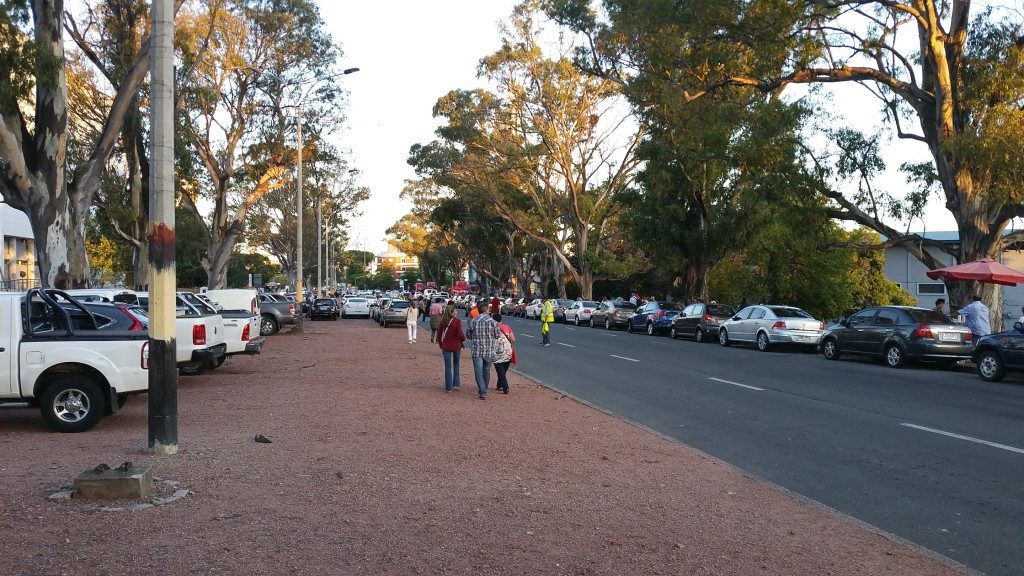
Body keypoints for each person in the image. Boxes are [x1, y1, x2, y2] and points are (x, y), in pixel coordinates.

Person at [466, 301, 502, 400]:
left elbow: (468, 335)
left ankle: (482, 391)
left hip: (477, 350)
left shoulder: (473, 321)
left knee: (478, 371)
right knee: (486, 370)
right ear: (486, 310)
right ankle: (484, 389)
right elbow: (497, 335)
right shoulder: (493, 322)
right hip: (489, 350)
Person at [437, 305, 465, 392]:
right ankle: (456, 384)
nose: (456, 312)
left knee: (447, 366)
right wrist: (463, 339)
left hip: (446, 346)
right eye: (455, 311)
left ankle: (448, 387)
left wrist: (441, 344)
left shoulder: (443, 322)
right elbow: (460, 334)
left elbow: (439, 335)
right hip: (456, 346)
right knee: (456, 364)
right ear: (451, 312)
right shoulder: (457, 322)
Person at [493, 314, 516, 394]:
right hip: (508, 350)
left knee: (500, 369)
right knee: (504, 369)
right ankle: (499, 385)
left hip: (497, 351)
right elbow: (513, 339)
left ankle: (505, 387)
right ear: (501, 320)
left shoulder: (491, 328)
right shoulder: (507, 327)